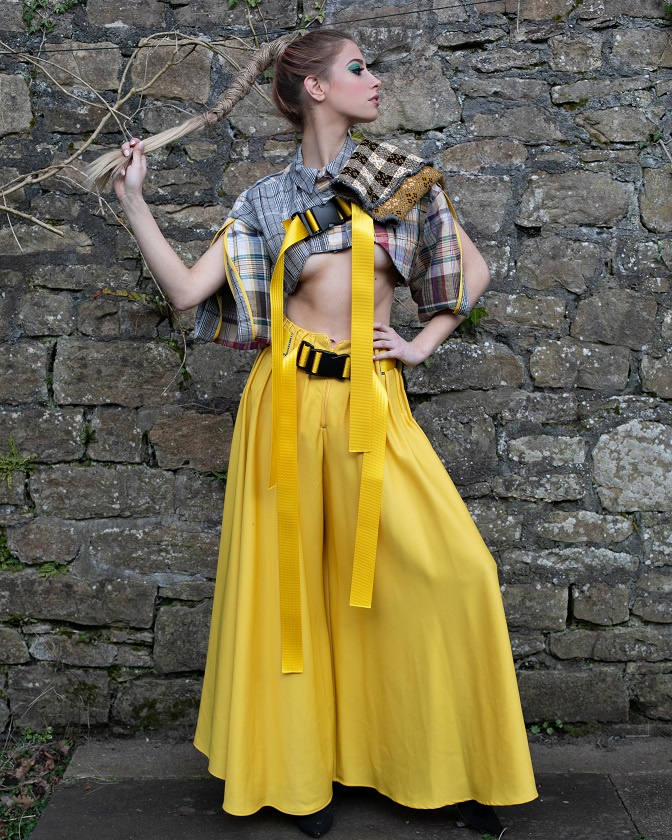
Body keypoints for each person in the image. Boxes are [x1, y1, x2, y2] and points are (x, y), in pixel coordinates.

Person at [107, 28, 537, 837]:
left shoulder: (401, 179)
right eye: (357, 68)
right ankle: (301, 777)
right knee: (294, 595)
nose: (374, 81)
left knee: (456, 572)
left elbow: (470, 271)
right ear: (314, 87)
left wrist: (420, 344)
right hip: (287, 407)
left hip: (374, 402)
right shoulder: (265, 201)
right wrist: (134, 200)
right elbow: (189, 292)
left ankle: (452, 768)